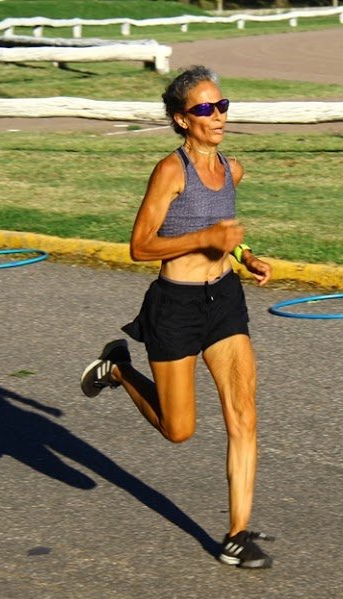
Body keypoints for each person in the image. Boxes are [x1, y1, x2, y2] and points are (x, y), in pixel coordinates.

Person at [80, 65, 275, 569]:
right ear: (182, 120)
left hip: (225, 301)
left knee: (245, 415)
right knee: (178, 430)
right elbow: (140, 246)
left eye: (222, 105)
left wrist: (245, 256)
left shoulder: (232, 170)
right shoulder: (172, 171)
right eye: (204, 109)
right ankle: (120, 367)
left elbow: (225, 231)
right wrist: (206, 241)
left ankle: (236, 534)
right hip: (176, 307)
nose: (218, 116)